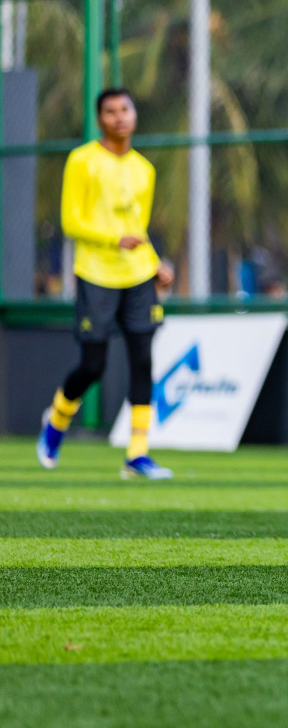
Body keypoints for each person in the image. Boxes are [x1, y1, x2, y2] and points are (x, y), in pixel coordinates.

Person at [36, 89, 176, 480]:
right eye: (110, 112)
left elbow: (139, 230)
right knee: (93, 366)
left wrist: (156, 266)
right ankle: (58, 419)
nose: (119, 117)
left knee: (143, 360)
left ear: (134, 115)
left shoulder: (144, 169)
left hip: (138, 275)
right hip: (96, 273)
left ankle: (137, 453)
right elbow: (71, 221)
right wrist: (113, 240)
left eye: (125, 109)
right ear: (100, 120)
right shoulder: (82, 161)